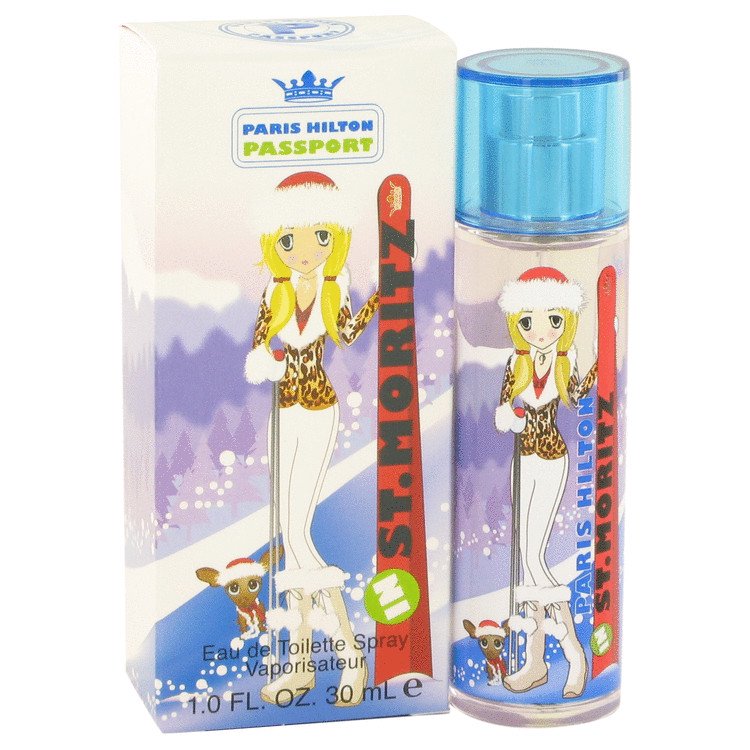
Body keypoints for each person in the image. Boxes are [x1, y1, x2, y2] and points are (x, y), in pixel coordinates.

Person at [244, 172, 379, 706]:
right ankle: (302, 665)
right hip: (285, 409)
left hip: (319, 406)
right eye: (290, 240)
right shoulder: (275, 294)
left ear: (334, 239)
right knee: (287, 529)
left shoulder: (332, 290)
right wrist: (268, 359)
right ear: (275, 243)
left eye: (319, 237)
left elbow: (347, 334)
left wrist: (379, 298)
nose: (304, 251)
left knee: (298, 536)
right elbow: (259, 345)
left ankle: (349, 656)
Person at [495, 267, 597, 699]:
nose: (541, 331)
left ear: (566, 321)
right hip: (524, 458)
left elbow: (577, 397)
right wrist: (510, 416)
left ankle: (574, 655)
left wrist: (600, 358)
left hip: (552, 456)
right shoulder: (515, 363)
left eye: (553, 320)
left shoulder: (564, 361)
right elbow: (503, 407)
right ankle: (535, 663)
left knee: (534, 556)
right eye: (528, 321)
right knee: (524, 556)